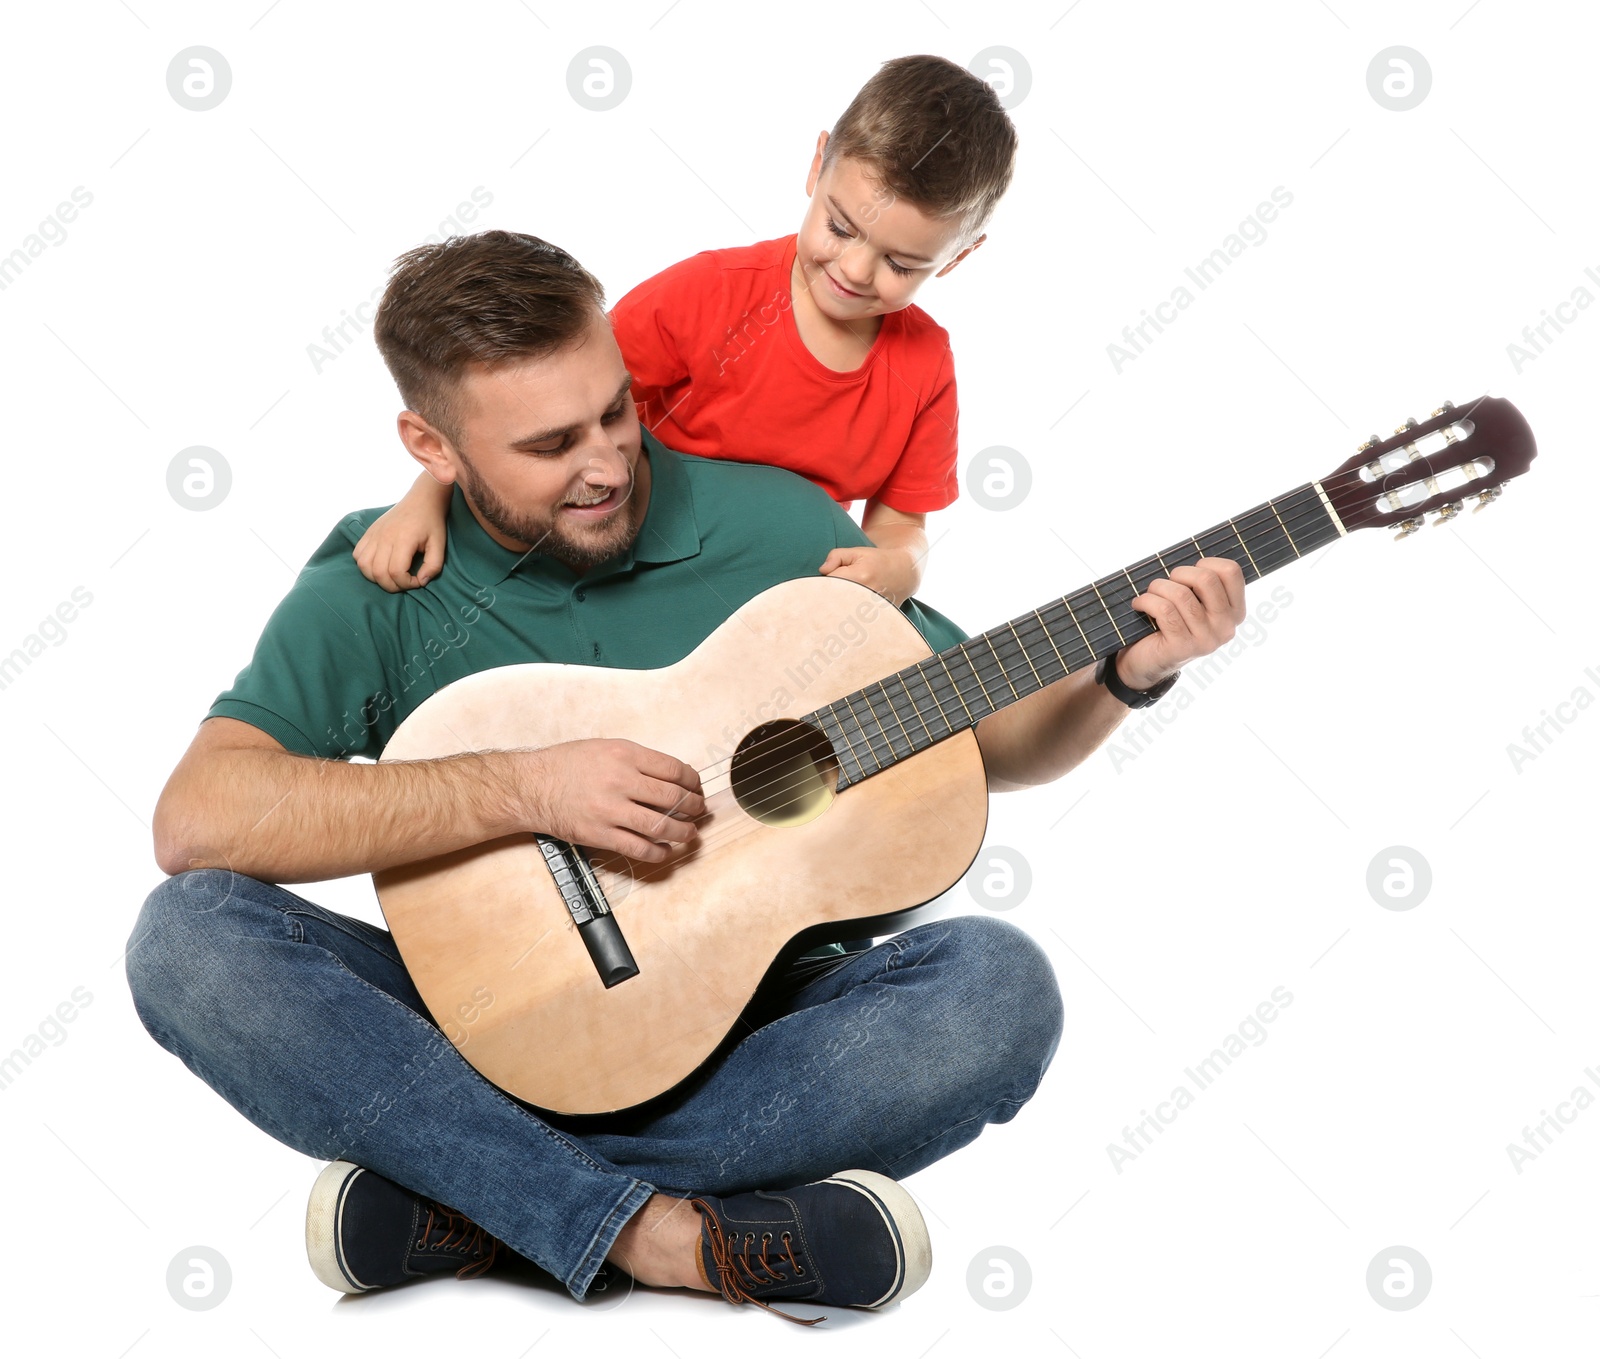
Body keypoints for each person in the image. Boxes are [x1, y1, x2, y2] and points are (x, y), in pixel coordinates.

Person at [127, 230, 1246, 1326]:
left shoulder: (775, 527)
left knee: (996, 989)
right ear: (431, 445)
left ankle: (478, 1202)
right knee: (186, 937)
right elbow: (199, 817)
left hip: (755, 1047)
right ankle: (660, 1237)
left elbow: (991, 741)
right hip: (478, 1028)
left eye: (616, 410)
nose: (607, 463)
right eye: (550, 444)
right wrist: (525, 787)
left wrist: (1126, 674)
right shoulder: (383, 579)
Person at [351, 54, 1016, 610]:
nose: (854, 267)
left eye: (901, 263)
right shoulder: (712, 293)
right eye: (840, 226)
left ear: (956, 258)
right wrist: (427, 494)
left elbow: (902, 520)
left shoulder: (925, 365)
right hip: (634, 567)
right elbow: (533, 403)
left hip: (782, 603)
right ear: (818, 165)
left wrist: (903, 567)